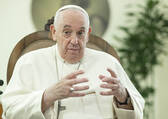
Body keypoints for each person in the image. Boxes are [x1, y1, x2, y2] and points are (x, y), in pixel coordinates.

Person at [1, 5, 144, 119]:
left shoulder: (108, 63)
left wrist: (123, 97)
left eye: (80, 33)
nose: (75, 41)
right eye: (67, 32)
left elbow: (138, 112)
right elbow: (9, 110)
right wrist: (47, 96)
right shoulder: (29, 62)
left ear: (87, 34)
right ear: (54, 32)